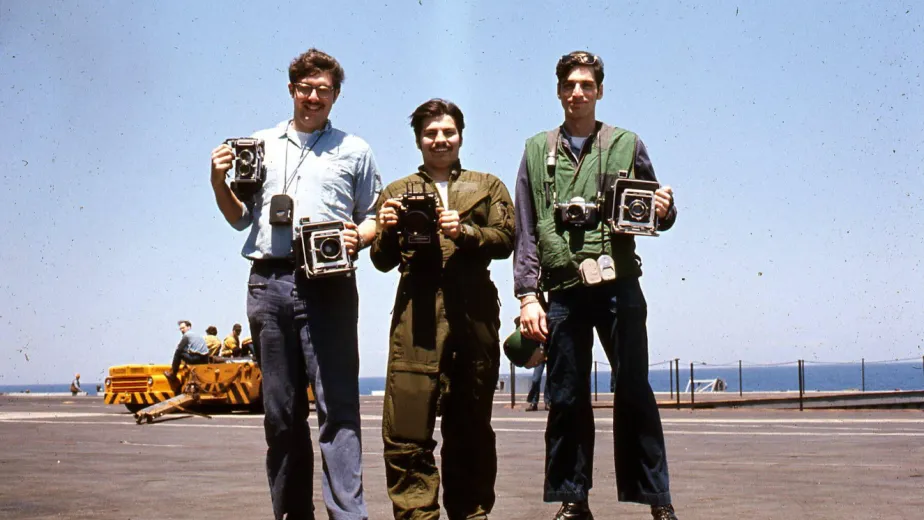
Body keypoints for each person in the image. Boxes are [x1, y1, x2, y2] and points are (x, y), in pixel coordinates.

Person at [209, 48, 380, 520]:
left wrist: (358, 236)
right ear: (291, 90)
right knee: (281, 415)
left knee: (338, 408)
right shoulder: (259, 144)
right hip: (270, 283)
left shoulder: (355, 150)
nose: (313, 97)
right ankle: (291, 513)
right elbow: (237, 218)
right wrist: (217, 180)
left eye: (323, 90)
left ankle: (348, 515)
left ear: (336, 95)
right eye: (305, 88)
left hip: (330, 287)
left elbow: (375, 218)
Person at [513, 51, 679, 520]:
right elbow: (527, 228)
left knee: (633, 389)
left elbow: (655, 211)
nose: (577, 93)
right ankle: (573, 498)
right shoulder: (534, 151)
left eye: (587, 85)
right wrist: (528, 294)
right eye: (569, 85)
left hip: (618, 283)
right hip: (562, 288)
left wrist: (665, 210)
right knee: (565, 396)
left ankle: (656, 498)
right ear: (558, 90)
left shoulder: (628, 144)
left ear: (599, 91)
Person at [370, 99, 514, 520]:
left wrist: (465, 231)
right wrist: (387, 227)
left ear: (461, 136)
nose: (440, 140)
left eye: (447, 132)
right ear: (418, 140)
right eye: (431, 133)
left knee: (470, 427)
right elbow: (381, 261)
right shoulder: (397, 191)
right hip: (418, 317)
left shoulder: (487, 185)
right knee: (408, 430)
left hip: (474, 315)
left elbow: (506, 239)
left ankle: (471, 513)